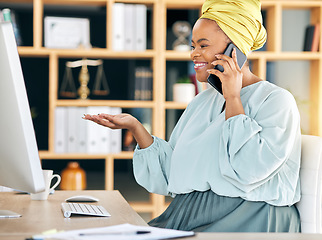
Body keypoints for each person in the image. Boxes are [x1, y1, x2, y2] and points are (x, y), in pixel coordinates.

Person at [83, 0, 301, 232]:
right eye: (193, 45)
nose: (194, 54)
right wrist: (136, 127)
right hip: (191, 213)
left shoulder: (276, 100)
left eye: (203, 45)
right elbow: (171, 173)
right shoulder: (202, 101)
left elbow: (249, 169)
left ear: (235, 50)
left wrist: (233, 99)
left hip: (249, 215)